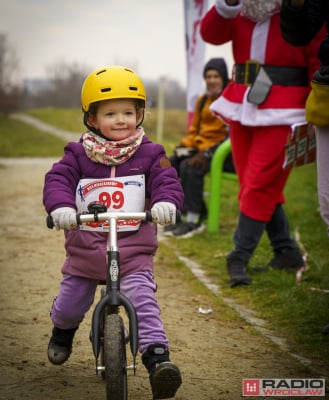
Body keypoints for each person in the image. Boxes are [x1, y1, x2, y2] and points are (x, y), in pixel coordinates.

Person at [43, 66, 183, 399]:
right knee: (70, 303)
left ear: (140, 114)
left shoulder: (151, 154)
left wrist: (166, 202)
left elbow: (167, 180)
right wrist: (60, 207)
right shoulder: (76, 154)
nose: (121, 120)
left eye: (128, 112)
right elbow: (58, 180)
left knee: (143, 300)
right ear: (91, 119)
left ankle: (157, 360)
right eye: (110, 113)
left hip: (132, 251)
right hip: (87, 250)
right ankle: (63, 332)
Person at [200, 0, 325, 287]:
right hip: (242, 103)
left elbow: (317, 58)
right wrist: (229, 4)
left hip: (286, 108)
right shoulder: (242, 8)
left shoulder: (303, 7)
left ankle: (238, 256)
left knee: (258, 185)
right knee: (253, 184)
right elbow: (211, 34)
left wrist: (313, 109)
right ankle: (286, 251)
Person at [280, 0, 329, 334]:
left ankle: (276, 248)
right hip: (326, 94)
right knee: (328, 207)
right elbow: (299, 34)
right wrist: (295, 6)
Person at [165, 57, 234, 238]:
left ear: (224, 78)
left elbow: (232, 135)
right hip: (202, 147)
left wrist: (209, 153)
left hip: (224, 151)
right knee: (171, 164)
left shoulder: (231, 99)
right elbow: (194, 131)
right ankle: (187, 211)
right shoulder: (202, 100)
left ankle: (193, 221)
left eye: (216, 76)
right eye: (208, 76)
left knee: (190, 167)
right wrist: (182, 147)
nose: (211, 80)